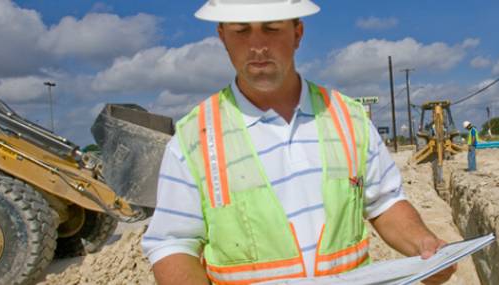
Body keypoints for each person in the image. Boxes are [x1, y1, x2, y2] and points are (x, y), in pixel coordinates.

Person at [141, 1, 456, 284]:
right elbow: (173, 244)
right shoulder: (193, 139)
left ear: (297, 32)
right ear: (222, 36)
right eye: (241, 31)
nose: (257, 46)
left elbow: (384, 203)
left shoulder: (348, 118)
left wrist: (423, 244)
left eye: (271, 28)